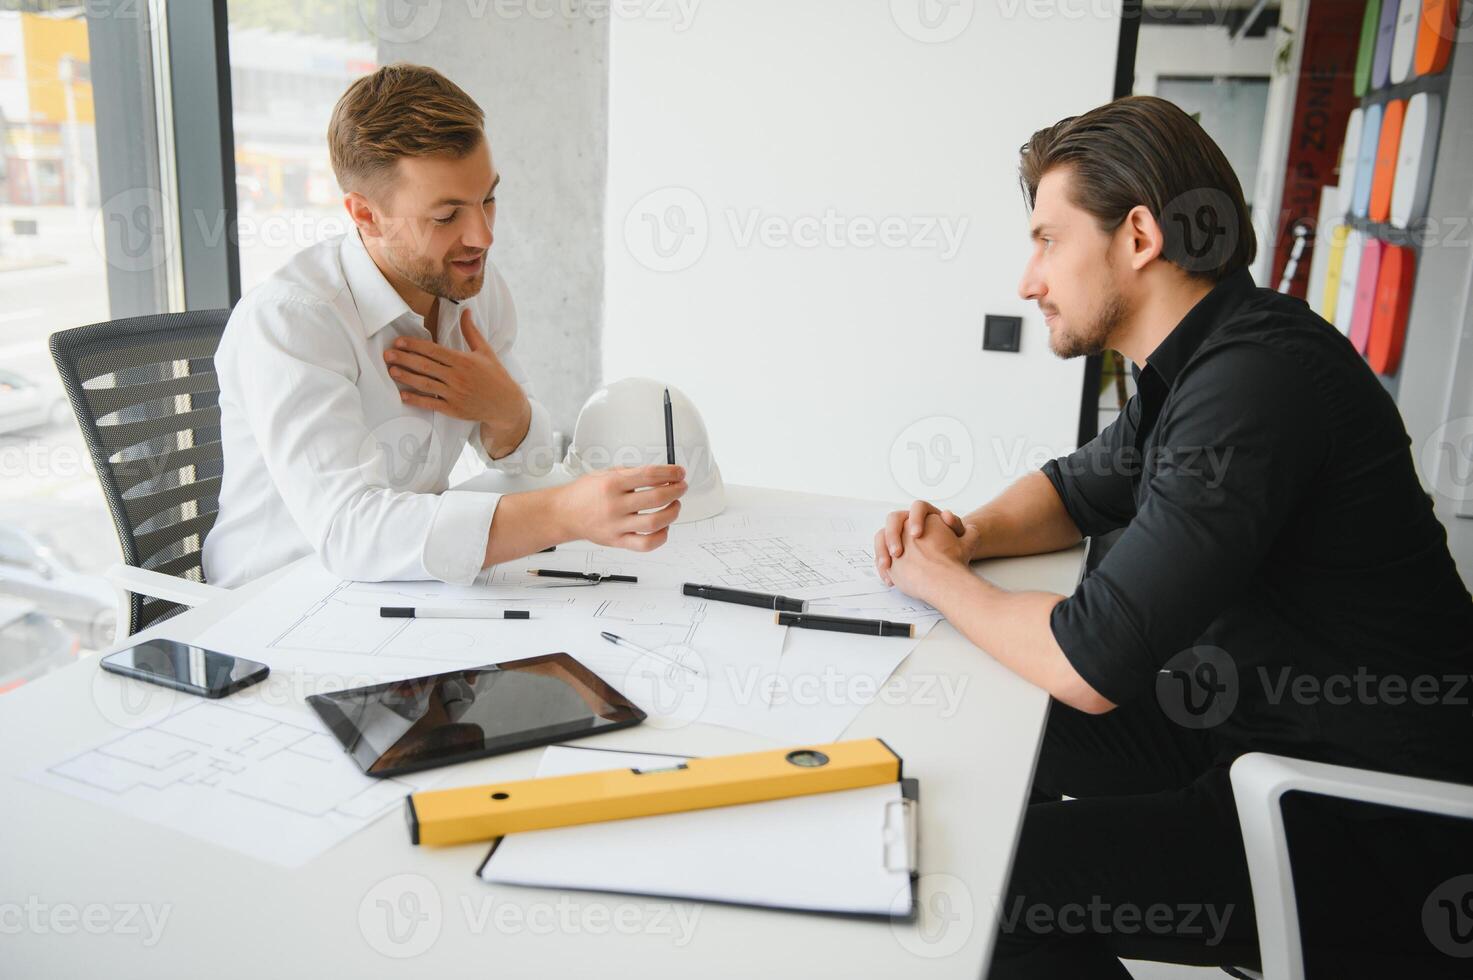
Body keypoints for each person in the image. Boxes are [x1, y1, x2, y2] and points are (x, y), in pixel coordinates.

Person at [873, 95, 1473, 977]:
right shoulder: (1198, 358)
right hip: (1256, 728)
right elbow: (1073, 489)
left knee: (978, 880)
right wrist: (962, 536)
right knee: (996, 715)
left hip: (1365, 818)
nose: (1027, 278)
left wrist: (939, 582)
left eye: (1047, 239)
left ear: (1140, 237)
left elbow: (1091, 662)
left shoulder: (1253, 384)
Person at [203, 65, 684, 588]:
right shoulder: (292, 322)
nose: (482, 235)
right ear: (365, 215)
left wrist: (507, 411)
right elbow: (352, 532)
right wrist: (565, 514)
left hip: (405, 590)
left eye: (488, 199)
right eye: (446, 215)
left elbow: (536, 462)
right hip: (274, 606)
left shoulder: (471, 284)